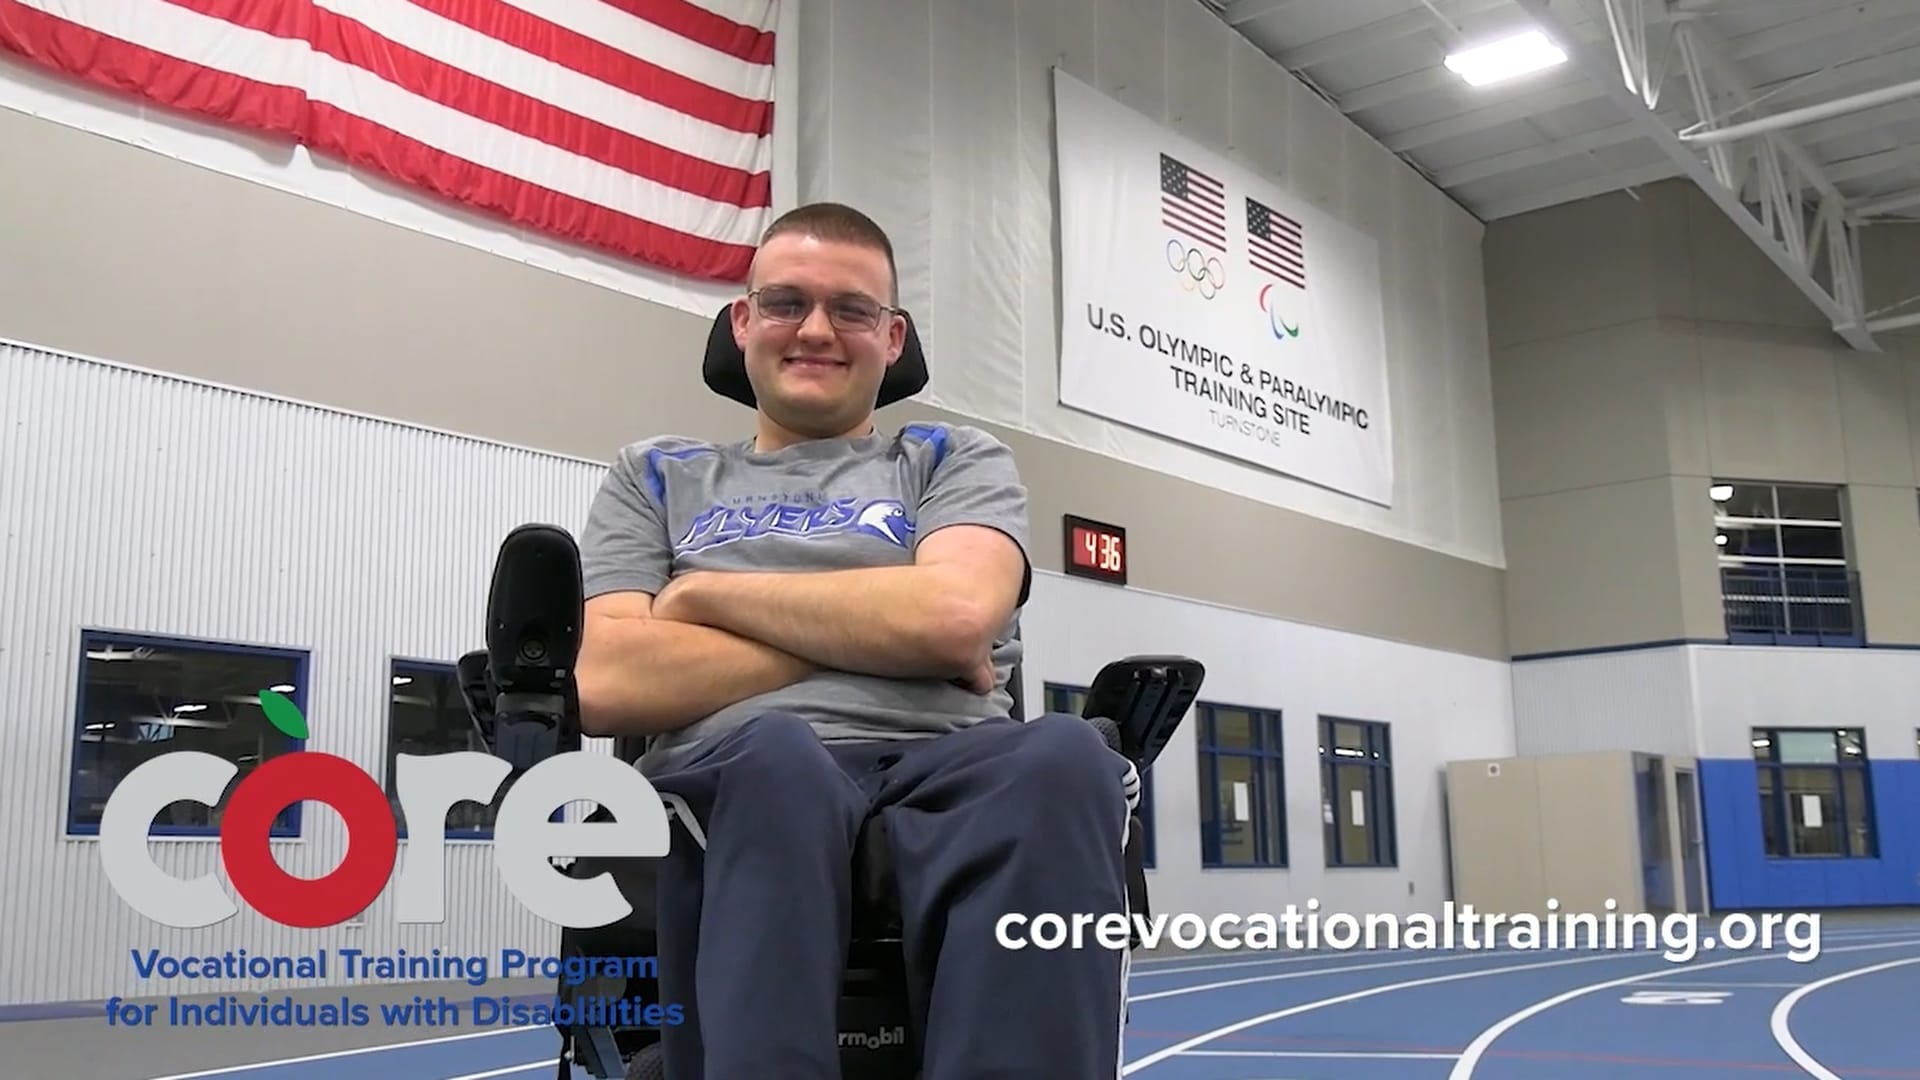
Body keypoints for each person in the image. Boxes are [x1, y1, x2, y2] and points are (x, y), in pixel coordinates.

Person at [573, 202, 1132, 1079]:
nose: (819, 331)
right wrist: (885, 629)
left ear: (893, 336)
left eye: (853, 310)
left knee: (1066, 756)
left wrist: (701, 597)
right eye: (788, 302)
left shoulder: (953, 459)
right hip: (743, 767)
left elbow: (954, 618)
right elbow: (609, 679)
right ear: (744, 321)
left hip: (948, 761)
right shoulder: (654, 475)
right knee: (777, 759)